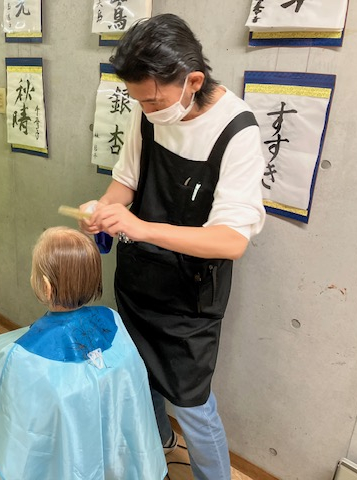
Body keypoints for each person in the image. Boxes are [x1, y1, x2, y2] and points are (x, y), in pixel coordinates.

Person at [80, 14, 265, 480]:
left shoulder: (237, 131)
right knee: (140, 376)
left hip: (190, 301)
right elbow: (126, 182)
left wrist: (141, 227)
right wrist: (104, 210)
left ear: (193, 81)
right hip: (139, 282)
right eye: (138, 100)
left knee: (194, 407)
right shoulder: (148, 111)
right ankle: (158, 445)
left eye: (153, 100)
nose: (146, 109)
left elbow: (231, 240)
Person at [0, 226, 167, 480]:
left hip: (55, 452)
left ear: (46, 287)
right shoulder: (113, 319)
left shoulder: (24, 357)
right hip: (107, 444)